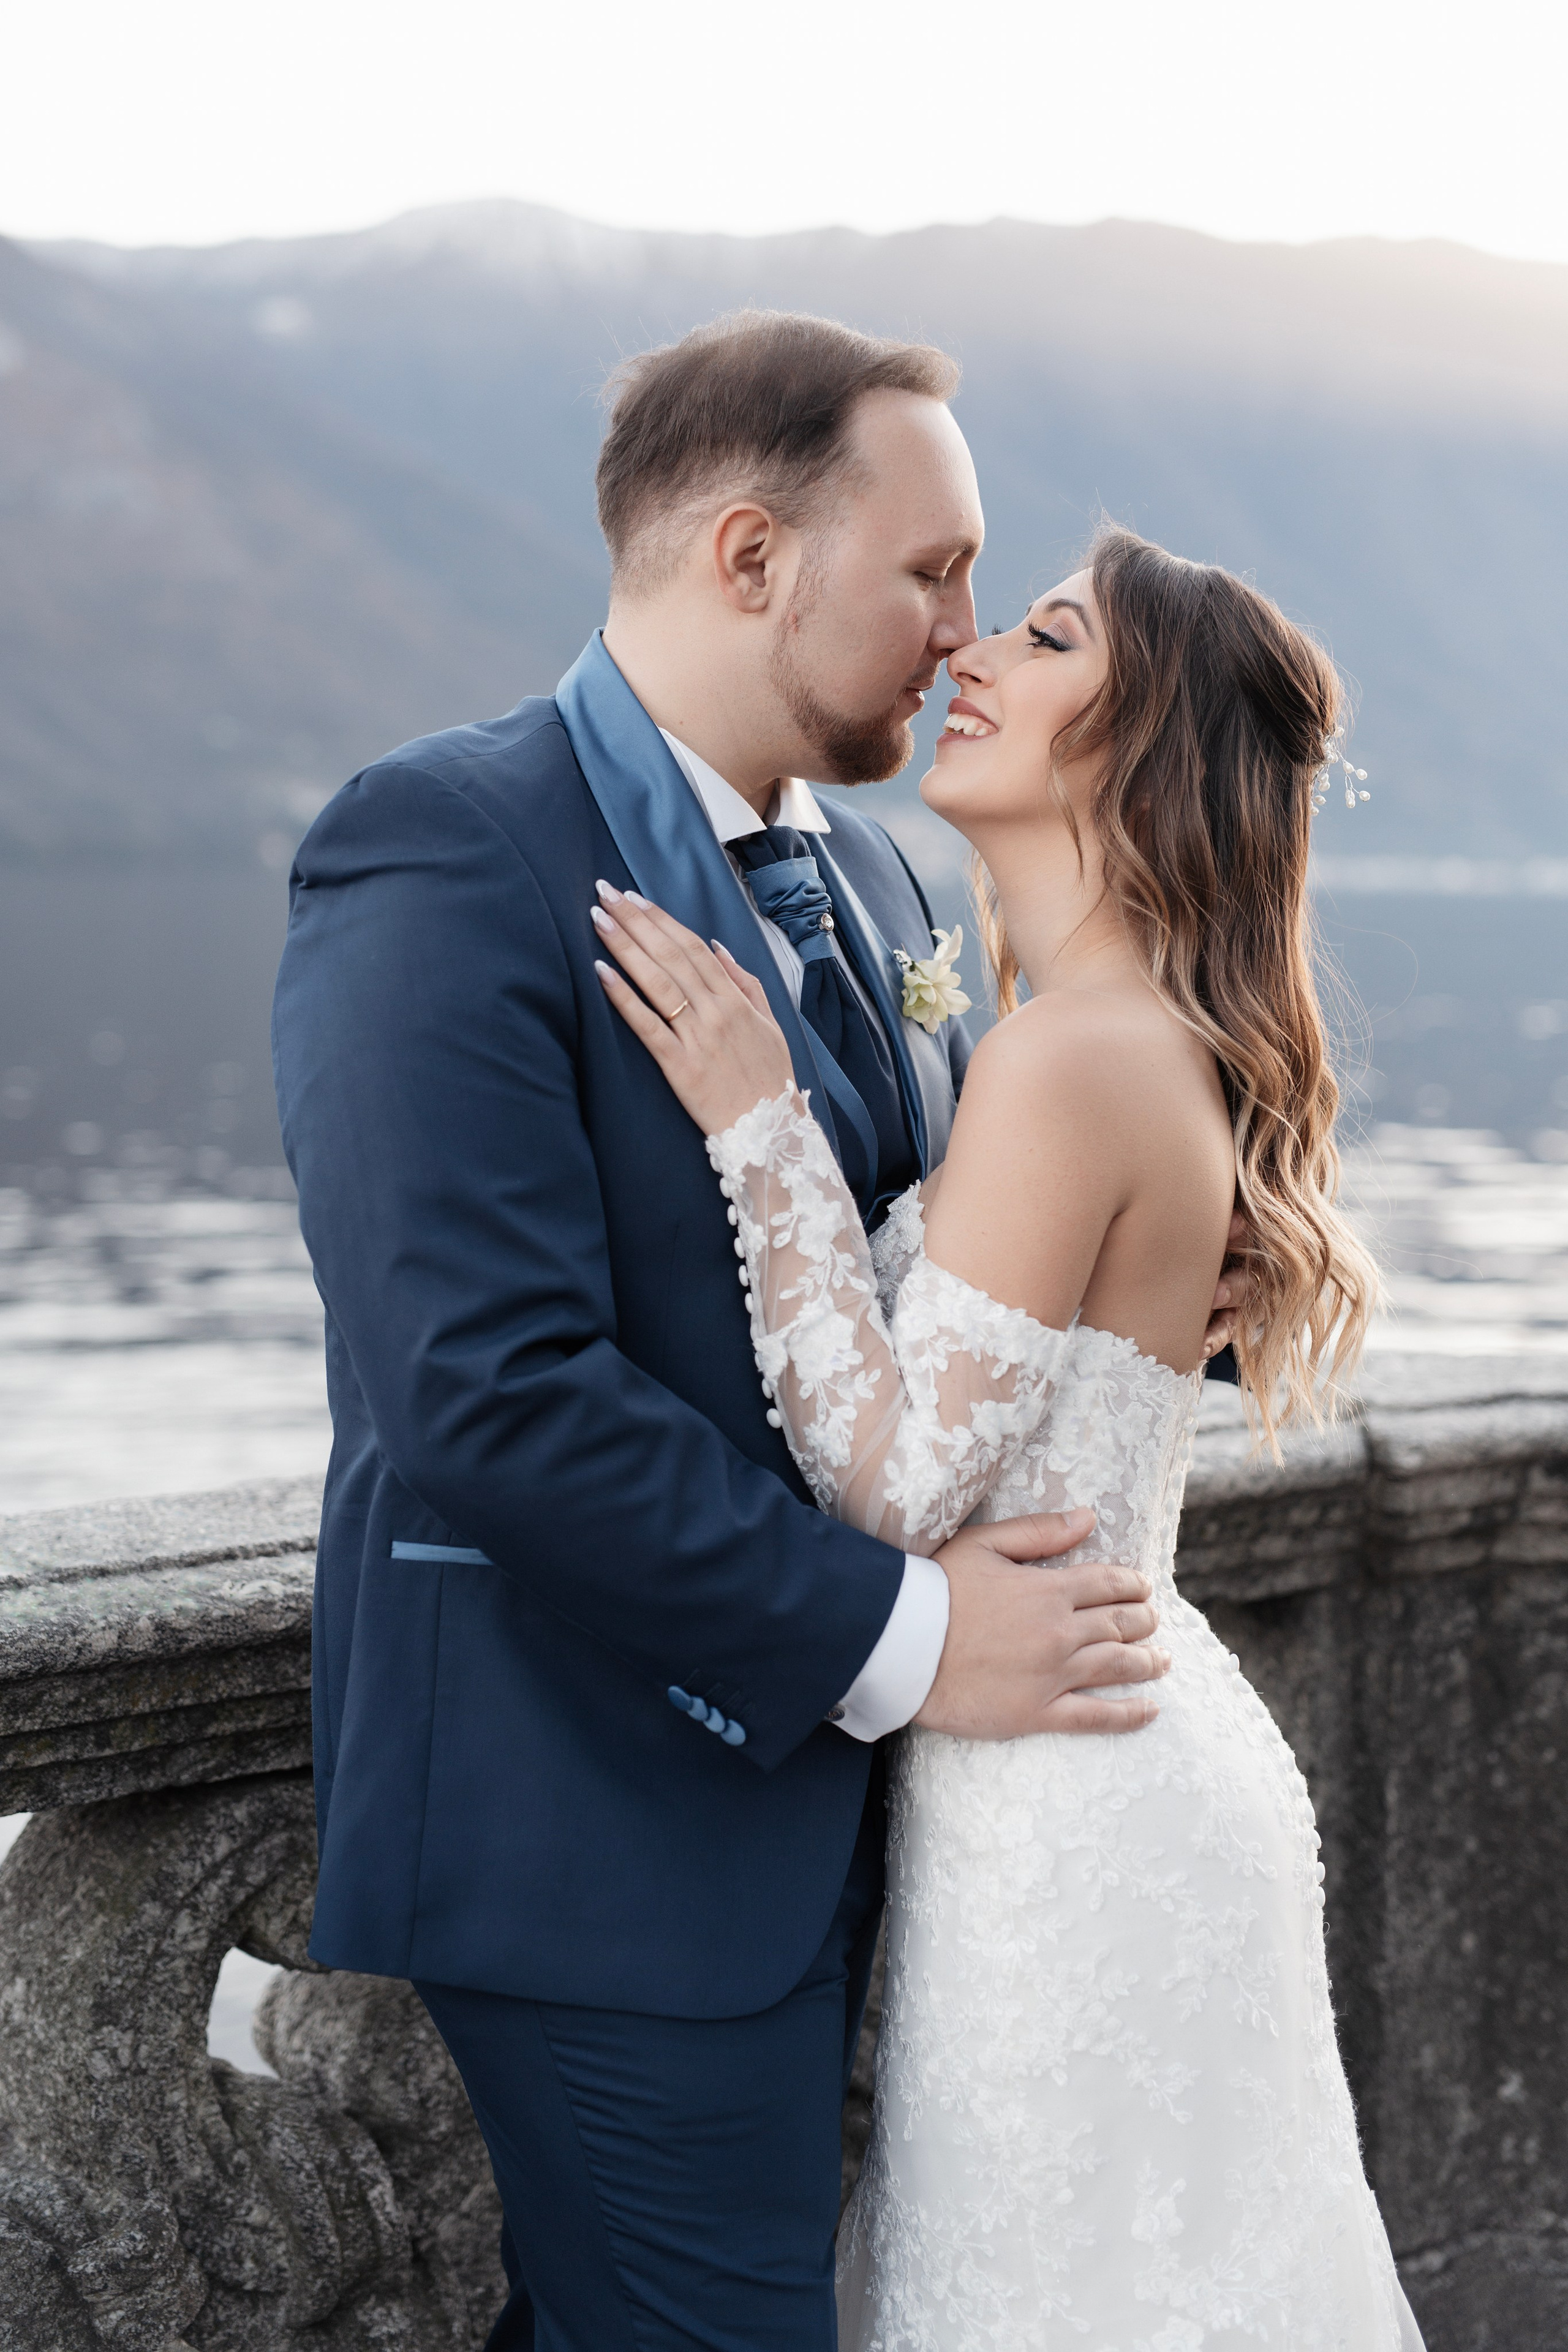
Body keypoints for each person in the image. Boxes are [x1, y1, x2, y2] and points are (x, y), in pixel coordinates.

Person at [272, 311, 1248, 2348]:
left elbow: (955, 1289)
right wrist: (907, 1643)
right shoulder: (448, 848)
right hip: (609, 1840)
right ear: (748, 557)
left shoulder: (886, 890)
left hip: (913, 1864)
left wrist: (1180, 1302)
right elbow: (487, 1396)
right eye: (932, 572)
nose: (964, 635)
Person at [594, 524, 1426, 2347]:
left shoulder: (1068, 1060)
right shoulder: (1118, 1047)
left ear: (1143, 742)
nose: (970, 651)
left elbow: (894, 1482)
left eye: (1043, 636)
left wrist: (759, 1130)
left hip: (1071, 1807)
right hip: (1108, 1755)